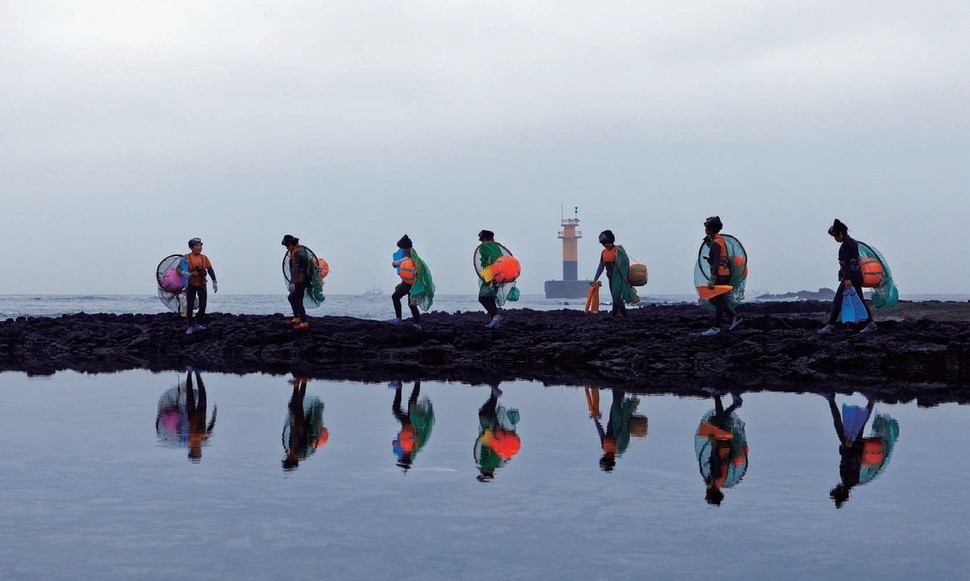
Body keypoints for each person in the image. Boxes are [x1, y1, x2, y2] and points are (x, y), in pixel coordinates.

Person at [818, 219, 876, 335]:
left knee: (837, 301)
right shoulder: (852, 242)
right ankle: (871, 324)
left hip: (850, 278)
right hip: (856, 276)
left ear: (841, 233)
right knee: (859, 299)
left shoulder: (846, 245)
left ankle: (830, 326)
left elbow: (849, 263)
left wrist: (847, 278)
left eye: (835, 236)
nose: (835, 239)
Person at [695, 390, 747, 505]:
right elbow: (716, 458)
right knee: (718, 419)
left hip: (727, 446)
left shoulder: (719, 482)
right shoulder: (716, 477)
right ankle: (716, 394)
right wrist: (713, 442)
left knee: (720, 419)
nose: (706, 491)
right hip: (722, 443)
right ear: (710, 492)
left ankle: (736, 404)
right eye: (707, 494)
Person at [700, 217, 742, 336]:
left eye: (706, 227)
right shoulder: (719, 239)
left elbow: (717, 260)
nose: (705, 229)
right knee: (717, 300)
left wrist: (713, 277)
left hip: (720, 275)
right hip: (724, 273)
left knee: (715, 300)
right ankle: (735, 317)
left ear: (710, 229)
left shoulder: (716, 242)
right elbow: (719, 257)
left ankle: (716, 327)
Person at [474, 384, 521, 482]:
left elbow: (507, 457)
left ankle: (494, 393)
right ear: (483, 472)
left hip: (503, 436)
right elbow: (478, 446)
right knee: (484, 414)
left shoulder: (499, 465)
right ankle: (494, 393)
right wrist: (483, 435)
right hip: (490, 438)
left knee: (487, 413)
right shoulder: (482, 462)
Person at [282, 375, 328, 470]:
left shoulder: (295, 453)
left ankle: (302, 382)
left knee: (296, 404)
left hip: (298, 425)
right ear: (292, 461)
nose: (287, 458)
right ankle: (298, 384)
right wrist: (295, 424)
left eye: (286, 459)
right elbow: (297, 437)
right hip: (299, 425)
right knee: (295, 405)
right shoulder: (298, 453)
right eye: (288, 460)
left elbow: (293, 437)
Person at [390, 379, 434, 472]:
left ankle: (400, 387)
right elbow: (417, 435)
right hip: (412, 422)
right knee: (410, 401)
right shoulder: (414, 447)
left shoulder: (406, 448)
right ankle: (416, 382)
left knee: (397, 408)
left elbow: (396, 441)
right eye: (405, 458)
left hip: (406, 423)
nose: (404, 456)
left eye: (403, 458)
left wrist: (397, 442)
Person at [591, 230, 637, 317]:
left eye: (607, 243)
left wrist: (625, 277)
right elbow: (601, 266)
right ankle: (618, 314)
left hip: (619, 277)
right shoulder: (603, 252)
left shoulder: (618, 249)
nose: (605, 245)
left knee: (616, 295)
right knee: (614, 295)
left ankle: (618, 314)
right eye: (603, 244)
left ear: (611, 241)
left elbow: (625, 262)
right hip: (610, 276)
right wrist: (595, 279)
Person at [388, 235, 428, 330]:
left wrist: (394, 263)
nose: (400, 249)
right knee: (412, 304)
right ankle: (417, 324)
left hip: (408, 283)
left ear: (403, 246)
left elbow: (406, 260)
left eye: (400, 247)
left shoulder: (406, 250)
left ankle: (398, 319)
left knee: (395, 297)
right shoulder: (413, 251)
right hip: (415, 282)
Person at [178, 238, 217, 335]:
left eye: (200, 246)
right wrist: (183, 272)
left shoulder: (204, 258)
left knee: (203, 305)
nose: (199, 248)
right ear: (191, 247)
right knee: (190, 305)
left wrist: (214, 281)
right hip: (190, 284)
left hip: (202, 283)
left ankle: (198, 324)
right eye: (197, 246)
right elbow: (177, 269)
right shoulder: (186, 257)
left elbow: (210, 269)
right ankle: (190, 326)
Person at [476, 230, 505, 328]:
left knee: (483, 298)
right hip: (499, 275)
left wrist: (492, 278)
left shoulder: (485, 247)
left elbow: (490, 261)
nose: (482, 242)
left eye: (482, 239)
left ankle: (496, 317)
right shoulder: (496, 247)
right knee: (490, 298)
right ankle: (495, 322)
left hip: (491, 276)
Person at [282, 234, 311, 330]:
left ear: (290, 244)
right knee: (291, 297)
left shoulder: (296, 252)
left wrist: (292, 280)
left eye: (287, 246)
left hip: (300, 280)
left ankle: (303, 323)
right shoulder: (301, 250)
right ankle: (297, 318)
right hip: (302, 279)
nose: (287, 248)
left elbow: (296, 266)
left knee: (298, 301)